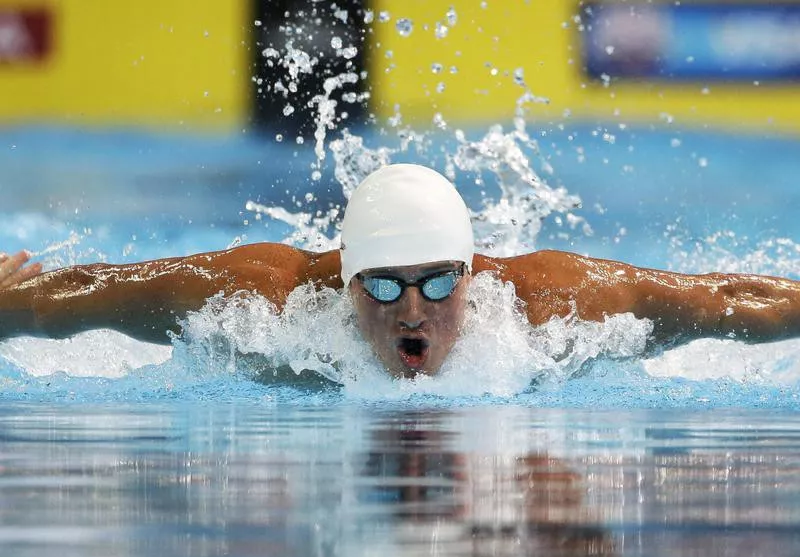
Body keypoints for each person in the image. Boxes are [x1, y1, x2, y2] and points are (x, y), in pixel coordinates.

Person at [2, 163, 800, 378]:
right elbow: (76, 295)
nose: (412, 310)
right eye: (383, 286)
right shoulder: (262, 303)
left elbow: (725, 296)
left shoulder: (552, 306)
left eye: (438, 282)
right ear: (346, 283)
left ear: (469, 274)